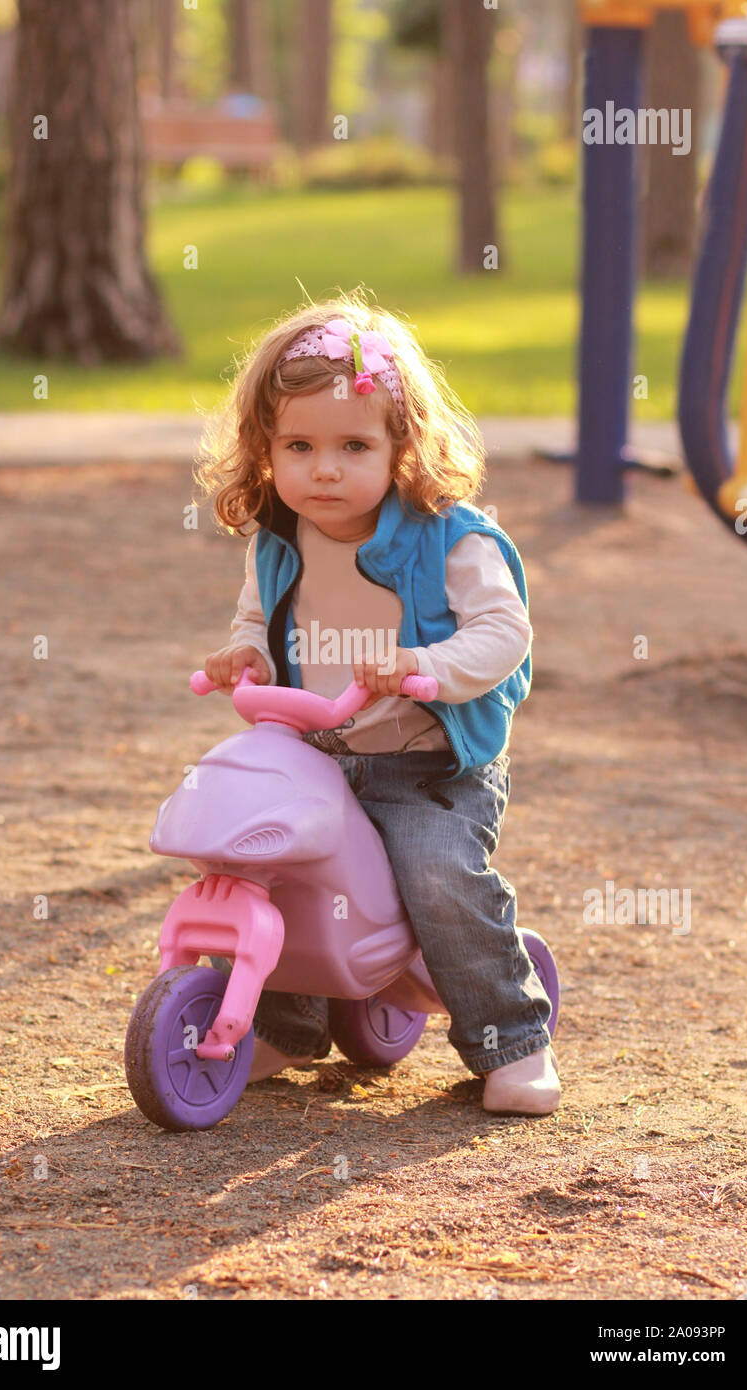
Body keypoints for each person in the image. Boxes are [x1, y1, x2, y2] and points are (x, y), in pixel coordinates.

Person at [195, 291, 560, 1115]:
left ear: (404, 446)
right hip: (318, 750)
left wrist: (425, 664)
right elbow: (260, 616)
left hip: (427, 764)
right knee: (263, 858)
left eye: (353, 445)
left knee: (435, 874)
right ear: (265, 449)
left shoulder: (454, 537)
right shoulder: (280, 535)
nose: (324, 469)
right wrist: (245, 652)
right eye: (299, 445)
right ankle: (285, 1022)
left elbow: (505, 632)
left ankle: (511, 1039)